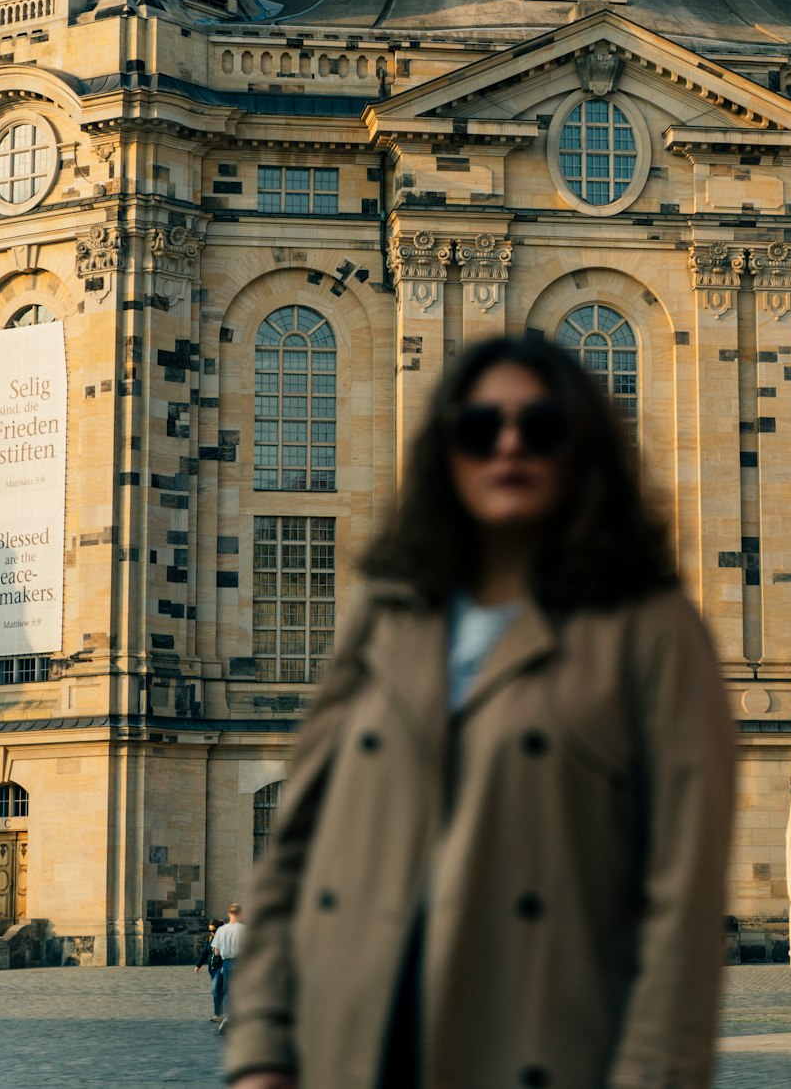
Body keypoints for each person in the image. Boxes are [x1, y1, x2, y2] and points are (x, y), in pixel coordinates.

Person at [226, 335, 736, 1089]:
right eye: (478, 427)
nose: (507, 445)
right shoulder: (386, 611)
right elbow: (293, 856)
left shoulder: (651, 629)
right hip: (349, 1053)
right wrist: (261, 1054)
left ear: (582, 449)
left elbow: (681, 905)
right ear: (446, 451)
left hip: (536, 1051)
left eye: (541, 427)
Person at [212, 903, 246, 1033]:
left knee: (227, 991)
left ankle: (228, 1016)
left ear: (229, 914)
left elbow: (216, 952)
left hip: (227, 962)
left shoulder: (221, 930)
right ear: (241, 914)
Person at [194, 916, 225, 1021]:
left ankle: (219, 1014)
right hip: (212, 967)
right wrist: (198, 965)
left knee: (216, 989)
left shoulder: (223, 936)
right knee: (217, 991)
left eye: (214, 930)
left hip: (221, 966)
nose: (212, 932)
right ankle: (220, 1012)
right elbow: (205, 951)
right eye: (210, 930)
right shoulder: (210, 937)